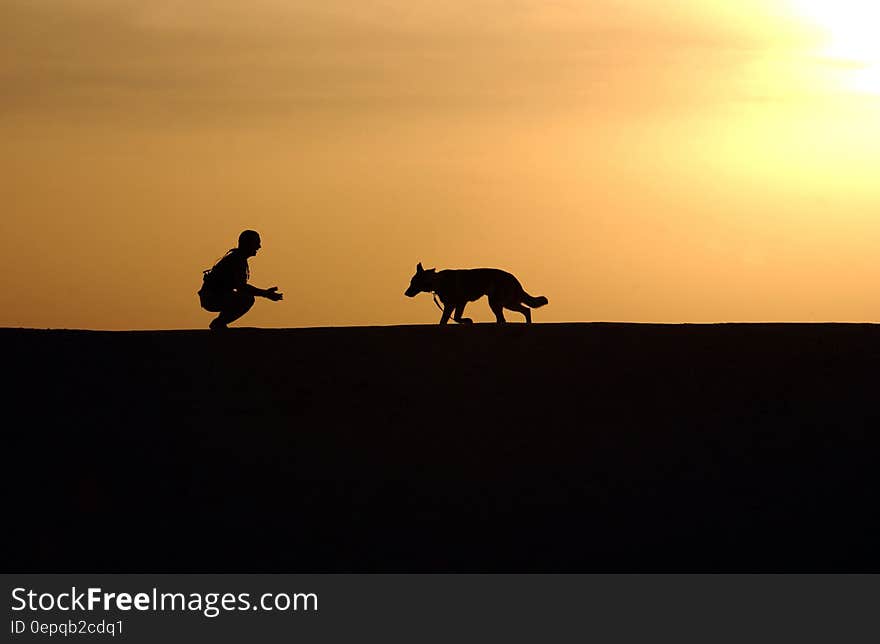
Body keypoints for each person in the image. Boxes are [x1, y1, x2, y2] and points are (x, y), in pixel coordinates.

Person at [198, 230, 283, 330]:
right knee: (246, 299)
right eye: (257, 243)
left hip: (215, 296)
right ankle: (219, 323)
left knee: (245, 298)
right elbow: (241, 287)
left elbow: (239, 287)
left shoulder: (238, 258)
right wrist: (265, 293)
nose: (259, 246)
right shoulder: (236, 260)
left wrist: (265, 293)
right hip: (212, 297)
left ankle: (219, 323)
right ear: (248, 243)